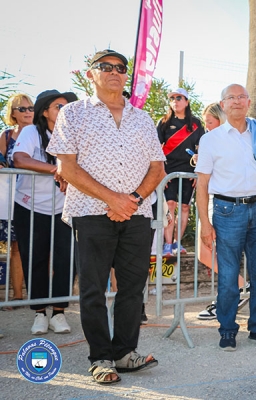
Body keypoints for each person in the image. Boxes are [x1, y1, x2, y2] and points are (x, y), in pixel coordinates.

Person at [48, 49, 165, 384]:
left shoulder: (141, 118)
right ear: (91, 74)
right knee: (93, 288)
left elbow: (157, 168)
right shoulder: (73, 113)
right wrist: (113, 199)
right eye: (106, 67)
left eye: (121, 68)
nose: (115, 72)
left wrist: (133, 200)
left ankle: (125, 353)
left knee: (132, 287)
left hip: (137, 213)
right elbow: (66, 167)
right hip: (91, 213)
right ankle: (101, 357)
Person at [195, 84, 256, 351]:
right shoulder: (211, 139)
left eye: (241, 97)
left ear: (248, 103)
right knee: (229, 277)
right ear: (222, 105)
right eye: (230, 98)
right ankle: (227, 330)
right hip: (227, 211)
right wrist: (205, 223)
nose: (236, 101)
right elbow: (202, 185)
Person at [12, 90, 77, 335]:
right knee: (34, 258)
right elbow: (19, 159)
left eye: (67, 106)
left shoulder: (74, 135)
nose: (64, 110)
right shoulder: (31, 132)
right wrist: (56, 170)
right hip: (30, 206)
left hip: (64, 208)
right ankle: (40, 313)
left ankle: (59, 313)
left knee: (65, 260)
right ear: (45, 112)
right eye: (59, 106)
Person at [196, 102, 249, 321]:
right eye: (204, 122)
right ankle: (235, 291)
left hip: (217, 203)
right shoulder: (210, 141)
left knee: (211, 253)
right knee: (208, 253)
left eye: (210, 121)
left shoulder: (226, 141)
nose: (206, 126)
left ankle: (238, 289)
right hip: (209, 200)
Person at [157, 88, 205, 256]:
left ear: (186, 101)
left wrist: (199, 173)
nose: (175, 101)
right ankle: (168, 244)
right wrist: (161, 170)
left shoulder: (196, 124)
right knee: (170, 205)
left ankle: (178, 243)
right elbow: (156, 149)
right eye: (172, 98)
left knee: (185, 207)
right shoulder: (163, 122)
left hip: (189, 171)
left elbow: (203, 149)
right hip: (168, 170)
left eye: (179, 98)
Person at [0, 93, 32, 307]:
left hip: (36, 199)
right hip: (9, 198)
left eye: (31, 108)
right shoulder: (6, 135)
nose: (28, 112)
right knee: (14, 246)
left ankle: (36, 295)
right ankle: (17, 295)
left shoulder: (41, 133)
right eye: (22, 109)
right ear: (12, 113)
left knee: (32, 247)